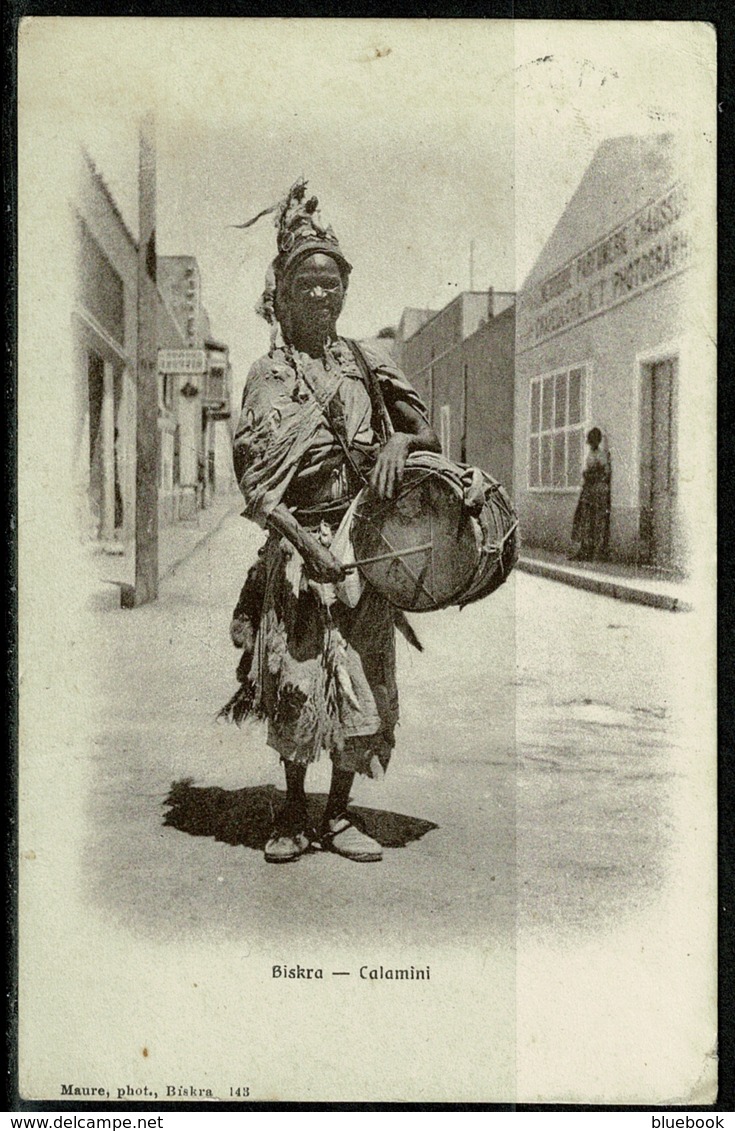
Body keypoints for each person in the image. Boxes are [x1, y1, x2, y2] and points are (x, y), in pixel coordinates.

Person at [223, 180, 440, 864]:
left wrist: (401, 444)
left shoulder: (369, 366)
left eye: (331, 284)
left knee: (366, 687)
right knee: (298, 681)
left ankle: (340, 814)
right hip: (300, 552)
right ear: (281, 294)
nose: (321, 295)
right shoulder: (266, 375)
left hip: (364, 552)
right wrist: (305, 544)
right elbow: (256, 487)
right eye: (306, 284)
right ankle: (291, 809)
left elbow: (424, 431)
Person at [571, 427, 611, 562]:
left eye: (592, 441)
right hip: (588, 490)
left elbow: (605, 473)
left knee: (596, 521)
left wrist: (591, 474)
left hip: (598, 491)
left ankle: (595, 553)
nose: (591, 444)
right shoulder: (590, 454)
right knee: (584, 519)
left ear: (597, 441)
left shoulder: (601, 455)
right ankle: (583, 550)